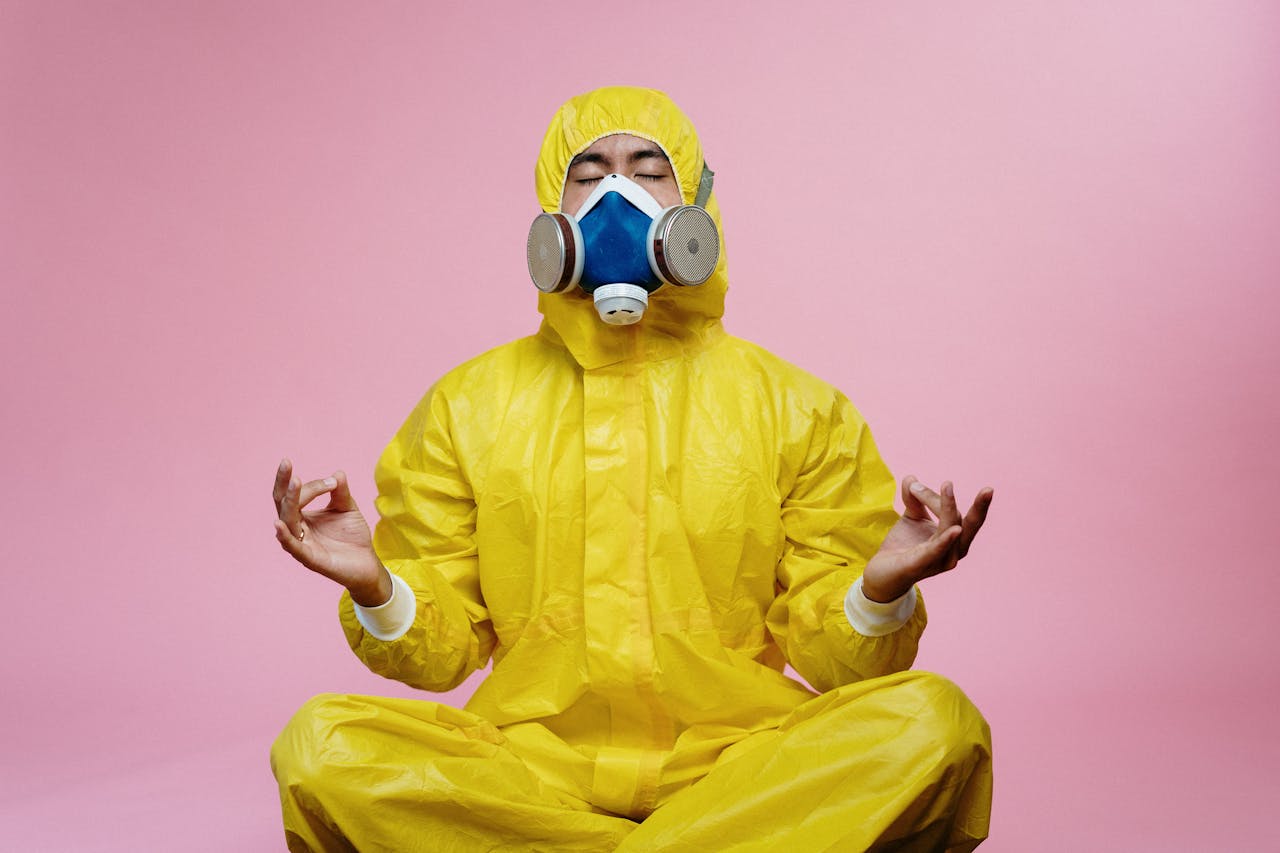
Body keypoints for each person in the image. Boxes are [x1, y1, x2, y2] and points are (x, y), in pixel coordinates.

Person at [270, 86, 994, 852]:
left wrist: (878, 590)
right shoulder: (467, 405)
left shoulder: (798, 408)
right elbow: (446, 652)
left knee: (933, 727)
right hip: (530, 767)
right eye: (589, 174)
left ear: (696, 206)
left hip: (738, 765)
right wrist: (379, 587)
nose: (617, 195)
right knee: (321, 749)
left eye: (648, 171)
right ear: (554, 210)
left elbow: (834, 659)